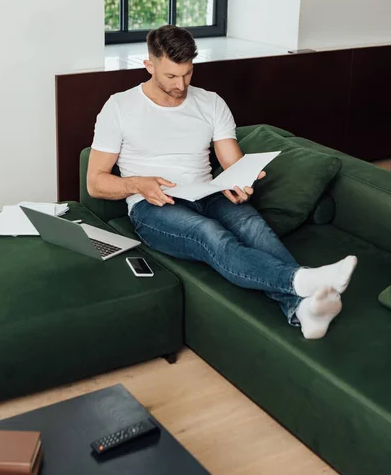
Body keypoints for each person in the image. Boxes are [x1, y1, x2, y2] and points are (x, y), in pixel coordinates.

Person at [88, 25, 357, 339]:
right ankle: (301, 281)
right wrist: (137, 184)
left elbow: (232, 161)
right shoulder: (119, 107)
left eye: (188, 73)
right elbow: (96, 182)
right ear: (149, 66)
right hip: (153, 205)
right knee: (210, 234)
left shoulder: (211, 102)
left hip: (208, 192)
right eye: (171, 76)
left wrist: (241, 179)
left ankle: (301, 309)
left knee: (254, 227)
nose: (181, 84)